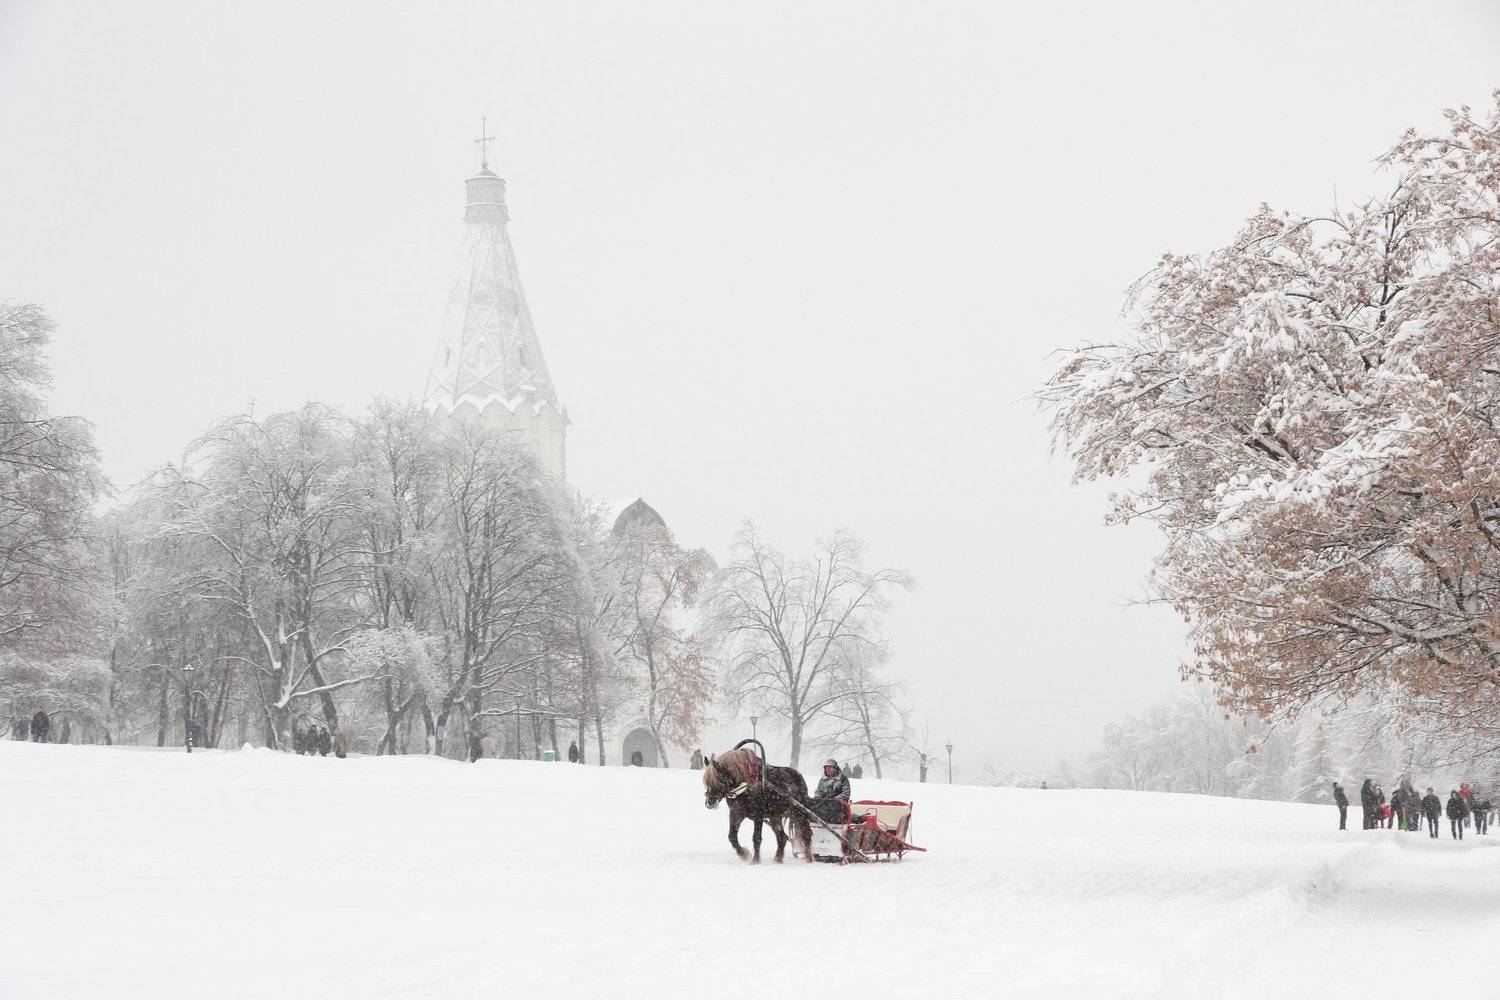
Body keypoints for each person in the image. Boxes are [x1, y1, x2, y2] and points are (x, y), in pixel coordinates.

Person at [811, 759, 851, 823]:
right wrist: (817, 797)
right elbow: (819, 790)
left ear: (835, 768)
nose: (827, 769)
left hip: (838, 805)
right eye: (826, 767)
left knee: (832, 806)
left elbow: (846, 792)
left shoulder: (843, 778)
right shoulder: (823, 780)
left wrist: (834, 799)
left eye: (830, 767)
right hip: (823, 803)